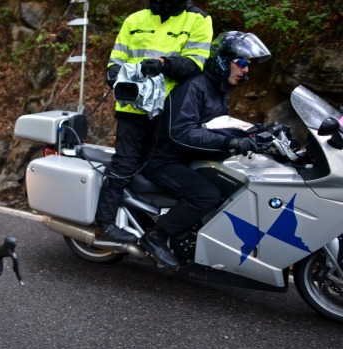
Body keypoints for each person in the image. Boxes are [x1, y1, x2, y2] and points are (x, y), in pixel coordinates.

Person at [140, 31, 272, 268]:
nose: (246, 70)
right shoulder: (195, 87)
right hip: (165, 161)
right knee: (207, 194)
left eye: (249, 66)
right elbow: (181, 132)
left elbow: (218, 126)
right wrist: (227, 143)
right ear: (223, 60)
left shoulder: (218, 89)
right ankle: (156, 236)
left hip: (191, 158)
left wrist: (258, 132)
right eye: (241, 63)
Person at [94, 0, 213, 243]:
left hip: (170, 113)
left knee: (160, 170)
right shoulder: (134, 19)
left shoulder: (198, 20)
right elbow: (116, 58)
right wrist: (114, 74)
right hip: (131, 109)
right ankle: (104, 223)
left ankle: (152, 226)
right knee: (124, 166)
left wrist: (164, 65)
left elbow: (196, 64)